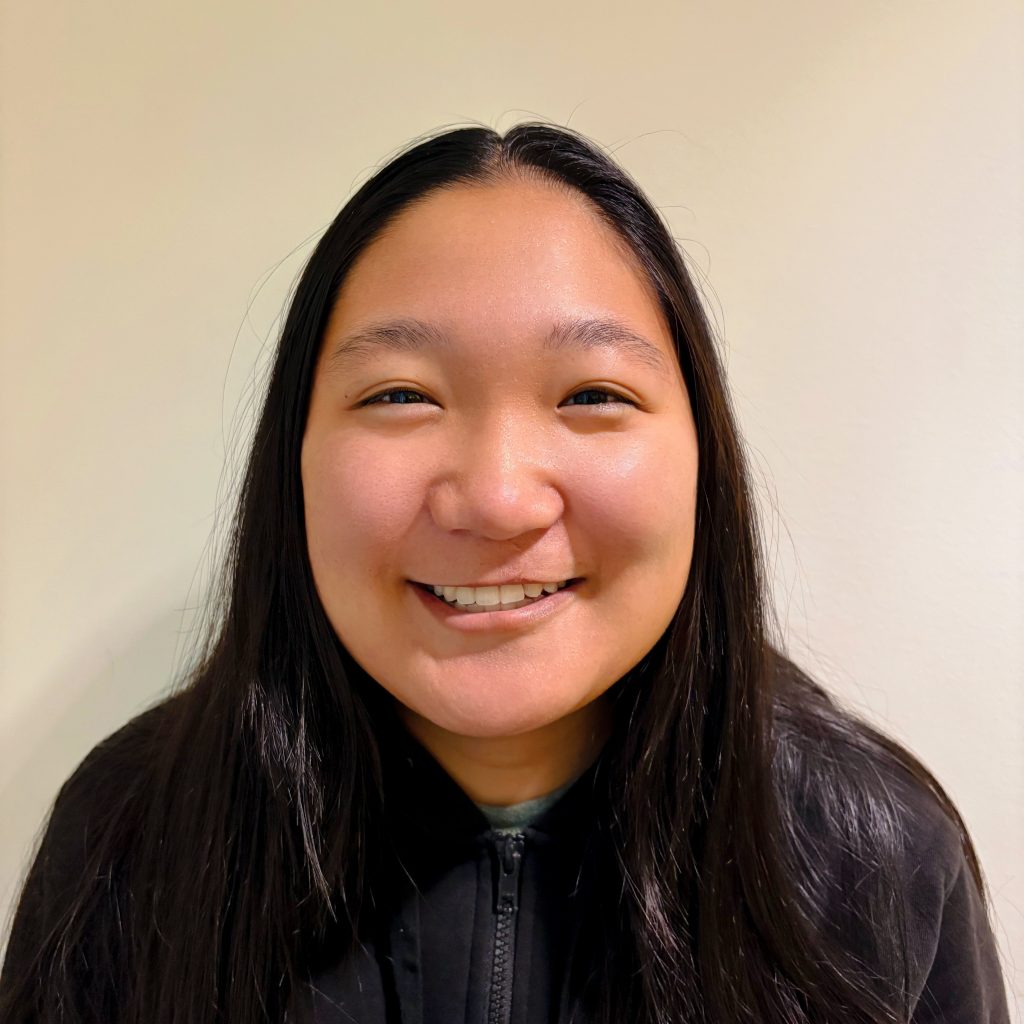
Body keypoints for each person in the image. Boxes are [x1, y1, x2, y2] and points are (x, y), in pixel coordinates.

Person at [0, 123, 1010, 1024]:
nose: (493, 496)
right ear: (291, 458)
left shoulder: (874, 855)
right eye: (400, 393)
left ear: (701, 456)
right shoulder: (135, 835)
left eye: (590, 394)